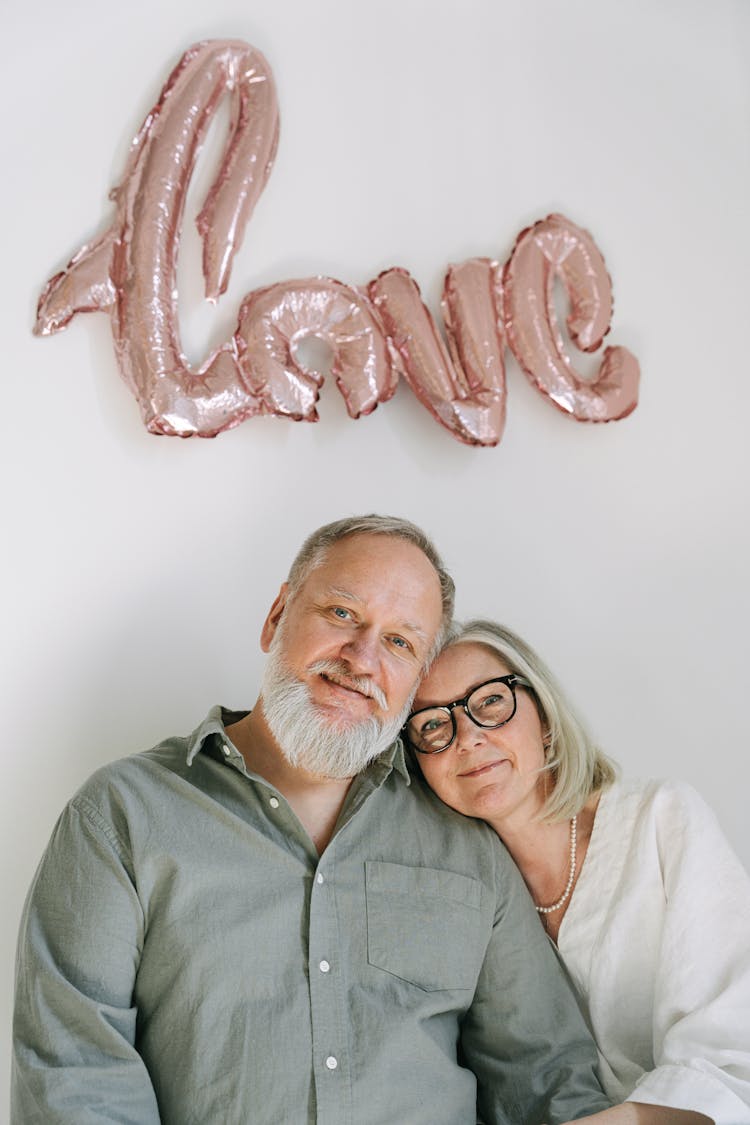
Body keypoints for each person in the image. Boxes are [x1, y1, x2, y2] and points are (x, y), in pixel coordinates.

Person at [13, 516, 612, 1125]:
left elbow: (546, 1079)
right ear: (276, 617)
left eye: (401, 642)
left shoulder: (468, 843)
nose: (362, 660)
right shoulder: (122, 815)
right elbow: (75, 1077)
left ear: (414, 684)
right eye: (342, 615)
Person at [406, 618, 750, 1125]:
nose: (468, 738)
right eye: (432, 724)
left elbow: (733, 1056)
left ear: (543, 718)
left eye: (491, 702)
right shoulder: (450, 892)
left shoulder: (662, 819)